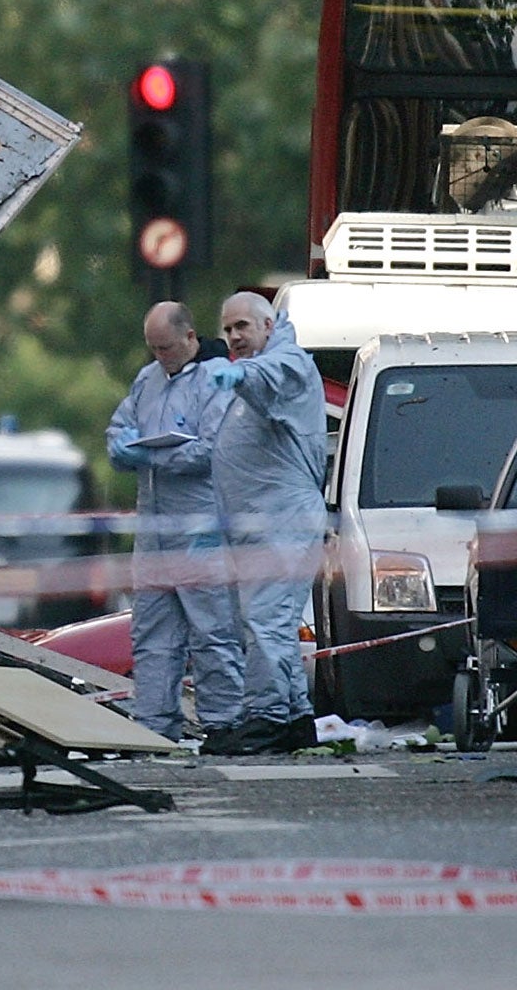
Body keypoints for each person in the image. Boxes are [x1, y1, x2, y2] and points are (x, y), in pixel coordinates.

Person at [105, 302, 243, 744]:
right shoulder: (147, 380)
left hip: (200, 526)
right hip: (155, 529)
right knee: (151, 632)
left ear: (190, 337)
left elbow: (212, 449)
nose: (160, 355)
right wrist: (124, 447)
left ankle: (224, 722)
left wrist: (154, 455)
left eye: (166, 347)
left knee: (212, 630)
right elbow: (119, 428)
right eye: (153, 348)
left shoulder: (214, 380)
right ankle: (152, 725)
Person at [207, 291, 329, 755]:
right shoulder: (252, 378)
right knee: (267, 622)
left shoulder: (287, 364)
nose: (234, 337)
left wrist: (238, 371)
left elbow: (270, 373)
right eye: (228, 329)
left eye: (243, 326)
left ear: (269, 326)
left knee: (265, 623)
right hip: (262, 524)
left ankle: (268, 719)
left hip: (283, 521)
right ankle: (295, 718)